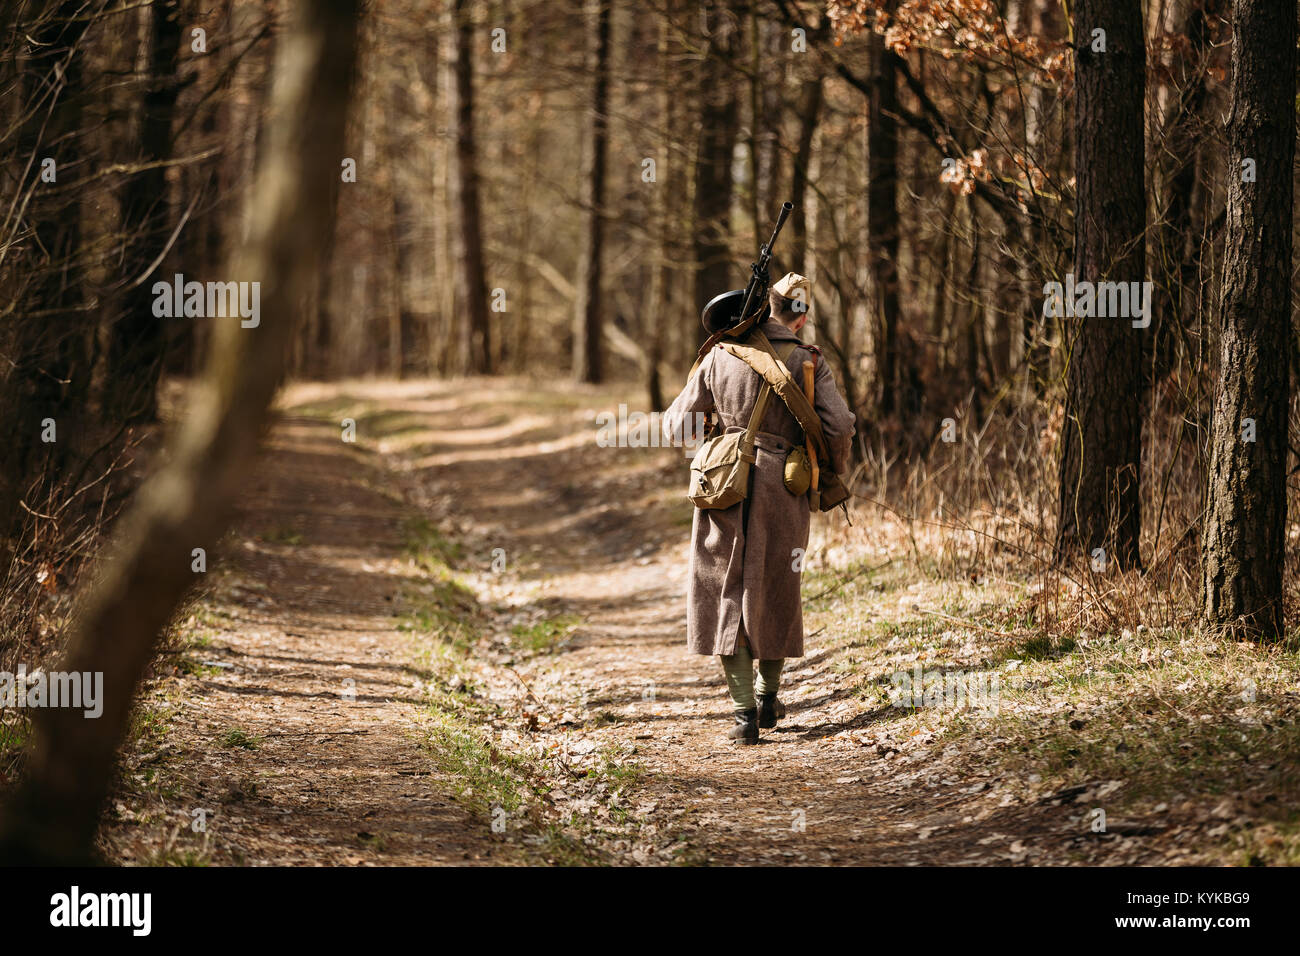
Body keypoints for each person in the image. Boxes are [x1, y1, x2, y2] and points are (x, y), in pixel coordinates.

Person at [664, 272, 856, 744]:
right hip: (782, 486)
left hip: (723, 482)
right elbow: (841, 427)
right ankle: (770, 697)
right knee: (775, 584)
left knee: (724, 585)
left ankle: (744, 715)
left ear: (766, 308)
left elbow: (674, 428)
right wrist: (823, 466)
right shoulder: (809, 361)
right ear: (802, 316)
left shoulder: (719, 356)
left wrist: (717, 426)